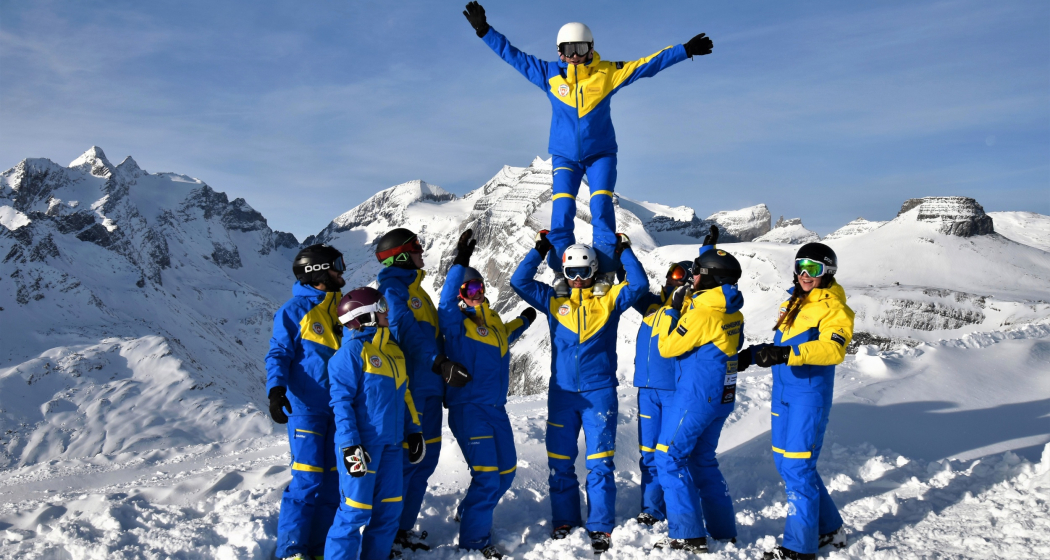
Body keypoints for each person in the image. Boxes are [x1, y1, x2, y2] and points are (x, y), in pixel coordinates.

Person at [462, 2, 714, 296]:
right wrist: (484, 31)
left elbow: (646, 65)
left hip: (600, 155)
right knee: (563, 211)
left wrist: (684, 50)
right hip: (565, 157)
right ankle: (560, 272)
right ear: (559, 51)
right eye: (568, 50)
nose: (574, 56)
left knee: (601, 208)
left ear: (591, 48)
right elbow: (513, 56)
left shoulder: (607, 73)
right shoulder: (549, 74)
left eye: (580, 48)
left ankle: (605, 271)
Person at [510, 230, 647, 553]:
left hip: (599, 393)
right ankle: (564, 521)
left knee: (600, 463)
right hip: (561, 394)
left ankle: (600, 526)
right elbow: (520, 282)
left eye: (583, 272)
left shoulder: (609, 299)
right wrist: (539, 249)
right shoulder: (553, 300)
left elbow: (639, 285)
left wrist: (624, 250)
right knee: (560, 463)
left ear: (594, 270)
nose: (576, 279)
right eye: (570, 272)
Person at [741, 243, 854, 560]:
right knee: (787, 463)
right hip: (784, 394)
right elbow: (784, 343)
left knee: (797, 467)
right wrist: (755, 354)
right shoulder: (791, 303)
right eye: (801, 266)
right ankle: (829, 530)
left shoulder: (835, 309)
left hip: (808, 395)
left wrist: (788, 354)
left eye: (814, 269)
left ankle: (798, 548)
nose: (805, 274)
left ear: (827, 272)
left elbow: (834, 350)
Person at [439, 230, 537, 559]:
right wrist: (460, 262)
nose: (476, 293)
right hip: (468, 408)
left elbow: (504, 335)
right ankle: (474, 543)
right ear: (460, 293)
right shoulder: (454, 323)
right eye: (469, 289)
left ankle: (468, 512)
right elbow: (445, 302)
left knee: (506, 471)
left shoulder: (491, 322)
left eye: (480, 287)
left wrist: (522, 321)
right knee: (487, 478)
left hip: (496, 408)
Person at [374, 228, 473, 551]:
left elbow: (437, 325)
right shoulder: (392, 290)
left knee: (424, 463)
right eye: (416, 247)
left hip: (429, 389)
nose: (422, 251)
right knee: (406, 465)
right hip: (412, 390)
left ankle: (401, 529)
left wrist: (461, 261)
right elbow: (407, 333)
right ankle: (385, 535)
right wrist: (439, 363)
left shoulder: (416, 289)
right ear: (400, 255)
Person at [654, 245, 743, 553]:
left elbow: (667, 347)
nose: (691, 278)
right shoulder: (732, 309)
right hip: (721, 396)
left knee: (667, 457)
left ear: (709, 279)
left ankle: (687, 535)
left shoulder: (702, 313)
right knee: (702, 460)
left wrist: (670, 311)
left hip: (695, 396)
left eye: (696, 273)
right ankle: (722, 530)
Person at [325, 288, 426, 560]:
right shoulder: (350, 354)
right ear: (363, 315)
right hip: (363, 447)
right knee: (355, 511)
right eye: (381, 306)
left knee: (388, 512)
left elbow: (404, 394)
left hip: (392, 446)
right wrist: (349, 446)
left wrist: (414, 431)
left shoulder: (393, 351)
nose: (387, 311)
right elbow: (341, 404)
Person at [631, 227, 720, 526]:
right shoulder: (651, 306)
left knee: (669, 452)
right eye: (672, 278)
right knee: (648, 455)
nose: (675, 283)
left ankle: (678, 506)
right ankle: (651, 508)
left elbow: (706, 279)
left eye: (682, 280)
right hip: (646, 391)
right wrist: (623, 252)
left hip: (673, 390)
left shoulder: (690, 312)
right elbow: (630, 283)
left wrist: (707, 253)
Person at [266, 244, 346, 560]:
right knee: (308, 480)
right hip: (308, 409)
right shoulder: (294, 310)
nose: (342, 270)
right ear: (317, 271)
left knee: (332, 484)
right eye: (336, 265)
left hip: (340, 410)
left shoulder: (345, 308)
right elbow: (278, 353)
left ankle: (318, 548)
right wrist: (276, 390)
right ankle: (291, 552)